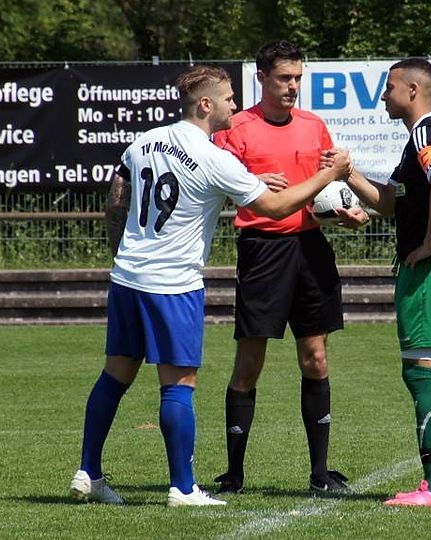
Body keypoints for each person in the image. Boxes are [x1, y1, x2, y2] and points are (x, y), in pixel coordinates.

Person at [68, 65, 352, 507]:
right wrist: (328, 177)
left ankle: (89, 472)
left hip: (127, 277)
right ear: (205, 104)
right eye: (228, 98)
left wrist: (120, 249)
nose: (234, 105)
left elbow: (118, 193)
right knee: (178, 384)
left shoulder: (144, 141)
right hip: (173, 284)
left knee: (115, 375)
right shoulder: (212, 157)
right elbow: (277, 208)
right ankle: (183, 488)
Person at [211, 40, 370, 495]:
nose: (293, 86)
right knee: (249, 362)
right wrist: (251, 182)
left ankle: (320, 474)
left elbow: (327, 190)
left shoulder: (314, 126)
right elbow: (218, 186)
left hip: (310, 248)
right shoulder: (236, 129)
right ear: (261, 78)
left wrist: (345, 211)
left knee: (315, 357)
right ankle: (233, 475)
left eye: (298, 77)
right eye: (284, 77)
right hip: (262, 250)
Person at [339, 58, 431, 506]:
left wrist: (429, 243)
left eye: (390, 87)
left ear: (413, 91)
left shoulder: (424, 135)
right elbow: (390, 202)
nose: (383, 96)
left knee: (420, 373)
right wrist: (348, 175)